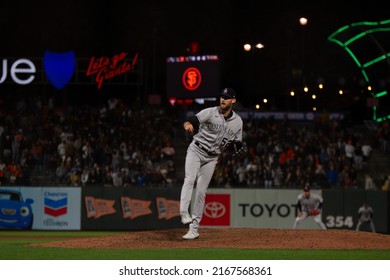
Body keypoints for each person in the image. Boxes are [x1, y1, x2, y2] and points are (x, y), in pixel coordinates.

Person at [179, 88, 247, 240]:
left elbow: (236, 143)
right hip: (196, 150)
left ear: (233, 100)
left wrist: (238, 149)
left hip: (212, 157)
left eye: (227, 97)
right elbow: (190, 119)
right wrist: (187, 125)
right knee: (189, 179)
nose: (223, 99)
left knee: (201, 192)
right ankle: (184, 212)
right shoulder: (210, 112)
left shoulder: (238, 122)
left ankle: (194, 229)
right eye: (221, 97)